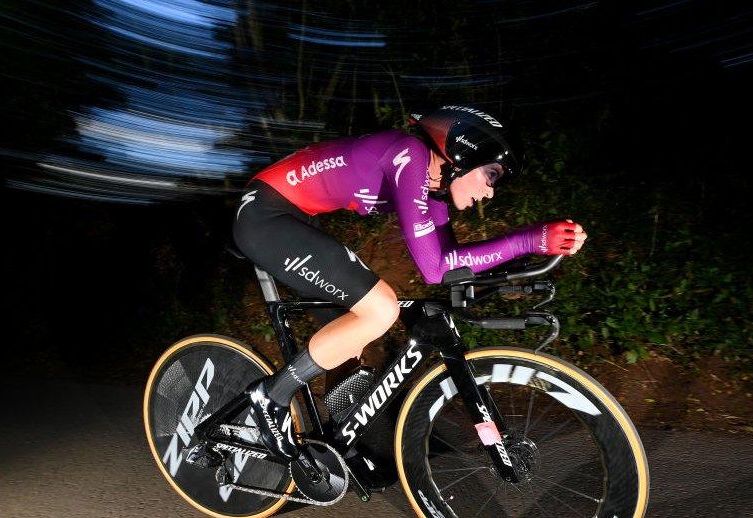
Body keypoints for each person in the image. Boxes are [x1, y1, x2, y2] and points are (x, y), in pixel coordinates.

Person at [232, 105, 587, 461]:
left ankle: (336, 443)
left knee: (351, 339)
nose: (491, 192)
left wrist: (523, 259)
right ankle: (271, 398)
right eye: (491, 174)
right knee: (380, 309)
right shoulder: (409, 154)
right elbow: (435, 268)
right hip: (266, 215)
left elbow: (451, 268)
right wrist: (528, 240)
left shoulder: (434, 190)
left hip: (296, 219)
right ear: (463, 154)